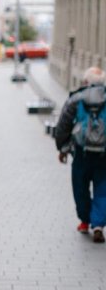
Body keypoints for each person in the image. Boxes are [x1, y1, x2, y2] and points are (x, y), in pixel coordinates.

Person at [55, 66, 106, 243]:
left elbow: (63, 125)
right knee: (102, 189)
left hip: (81, 152)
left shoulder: (77, 98)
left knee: (80, 187)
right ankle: (98, 224)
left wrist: (61, 148)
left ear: (86, 81)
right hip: (104, 155)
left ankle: (85, 221)